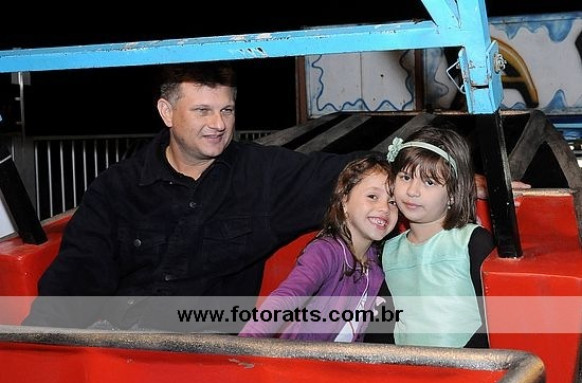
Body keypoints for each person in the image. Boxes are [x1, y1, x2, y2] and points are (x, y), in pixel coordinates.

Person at [23, 61, 370, 330]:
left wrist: (402, 166)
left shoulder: (263, 176)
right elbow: (73, 283)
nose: (218, 124)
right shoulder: (117, 188)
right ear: (166, 112)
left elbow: (352, 173)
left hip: (207, 357)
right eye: (202, 110)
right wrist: (33, 354)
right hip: (119, 347)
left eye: (227, 110)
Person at [239, 155, 398, 342]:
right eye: (372, 196)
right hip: (302, 357)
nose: (384, 208)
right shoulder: (326, 251)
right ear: (344, 200)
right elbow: (289, 295)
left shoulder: (376, 265)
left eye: (393, 202)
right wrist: (247, 344)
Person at [381, 126, 495, 348]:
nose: (412, 191)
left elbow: (496, 320)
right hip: (403, 366)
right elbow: (384, 324)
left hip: (468, 365)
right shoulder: (387, 251)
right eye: (405, 177)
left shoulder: (472, 242)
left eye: (429, 182)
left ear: (452, 193)